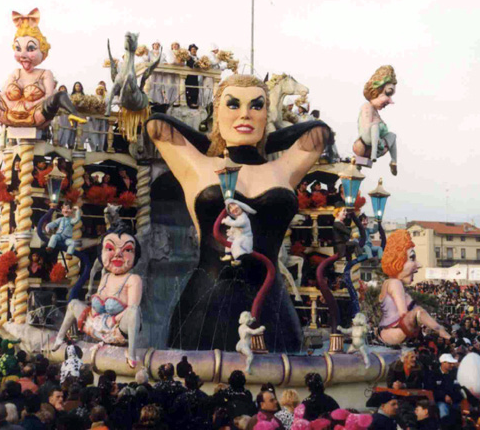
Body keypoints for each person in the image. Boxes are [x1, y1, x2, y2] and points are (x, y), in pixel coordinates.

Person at [145, 74, 332, 352]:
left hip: (271, 305)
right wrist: (215, 138)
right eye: (233, 105)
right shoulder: (198, 166)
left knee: (283, 372)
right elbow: (157, 125)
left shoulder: (282, 169)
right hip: (206, 305)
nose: (245, 114)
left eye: (256, 106)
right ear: (217, 112)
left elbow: (320, 132)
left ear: (267, 114)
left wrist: (264, 141)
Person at [0, 9, 83, 129]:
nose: (23, 55)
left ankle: (74, 114)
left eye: (30, 49)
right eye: (18, 49)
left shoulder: (45, 74)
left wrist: (31, 105)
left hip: (35, 115)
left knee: (60, 95)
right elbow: (3, 95)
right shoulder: (16, 73)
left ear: (42, 50)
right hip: (7, 115)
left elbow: (48, 97)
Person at [52, 224, 143, 368]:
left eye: (127, 250)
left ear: (135, 254)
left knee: (134, 311)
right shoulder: (105, 277)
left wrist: (114, 320)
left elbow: (132, 308)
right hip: (96, 326)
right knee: (73, 304)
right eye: (110, 249)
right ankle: (59, 338)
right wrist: (94, 317)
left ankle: (131, 354)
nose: (118, 254)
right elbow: (98, 300)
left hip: (117, 330)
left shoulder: (133, 279)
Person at [378, 230, 450, 345]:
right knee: (418, 311)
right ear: (398, 260)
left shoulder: (390, 283)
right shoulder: (394, 283)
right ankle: (440, 330)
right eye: (412, 258)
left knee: (418, 311)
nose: (419, 265)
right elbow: (403, 316)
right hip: (392, 331)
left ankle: (439, 330)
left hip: (389, 332)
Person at [353, 65, 398, 175]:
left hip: (378, 145)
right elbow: (366, 133)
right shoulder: (367, 107)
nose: (390, 101)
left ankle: (393, 162)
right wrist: (378, 141)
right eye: (388, 93)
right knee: (374, 126)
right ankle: (373, 154)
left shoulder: (375, 112)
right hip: (365, 145)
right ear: (376, 91)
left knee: (392, 135)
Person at [426, 353, 462, 423]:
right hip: (439, 401)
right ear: (443, 363)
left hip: (454, 401)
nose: (452, 365)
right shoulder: (433, 374)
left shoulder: (454, 374)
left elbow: (457, 388)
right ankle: (444, 425)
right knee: (443, 408)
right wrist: (443, 396)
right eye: (449, 363)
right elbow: (431, 389)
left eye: (452, 363)